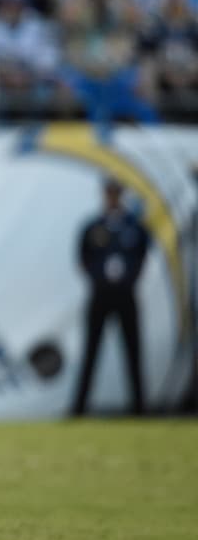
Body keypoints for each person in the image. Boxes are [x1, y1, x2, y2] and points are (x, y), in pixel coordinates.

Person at [71, 178, 151, 417]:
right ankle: (80, 409)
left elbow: (142, 256)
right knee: (91, 352)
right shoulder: (93, 227)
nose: (112, 198)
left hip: (126, 295)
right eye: (109, 193)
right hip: (100, 295)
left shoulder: (134, 226)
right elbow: (82, 259)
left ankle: (139, 408)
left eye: (116, 193)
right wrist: (99, 279)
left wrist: (128, 278)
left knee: (133, 352)